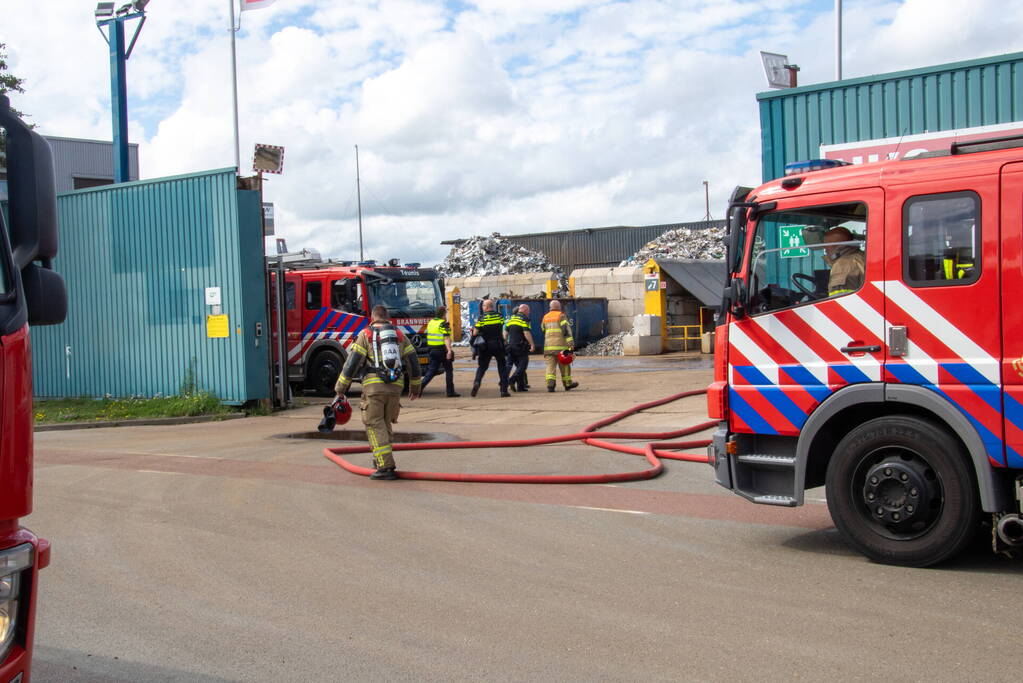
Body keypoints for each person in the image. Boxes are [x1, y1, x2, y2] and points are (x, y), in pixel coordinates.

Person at [334, 305, 422, 480]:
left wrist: (340, 388)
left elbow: (352, 363)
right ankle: (381, 459)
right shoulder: (399, 334)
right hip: (396, 387)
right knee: (385, 424)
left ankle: (385, 466)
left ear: (373, 318)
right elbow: (413, 361)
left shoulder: (365, 334)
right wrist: (415, 387)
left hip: (374, 388)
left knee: (374, 425)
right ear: (387, 317)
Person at [470, 298, 510, 398]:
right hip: (498, 344)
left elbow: (475, 333)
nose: (482, 307)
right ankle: (503, 391)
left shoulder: (482, 318)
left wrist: (472, 343)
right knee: (502, 367)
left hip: (485, 346)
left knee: (482, 367)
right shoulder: (499, 316)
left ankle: (477, 382)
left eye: (483, 306)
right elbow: (502, 328)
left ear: (486, 307)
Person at [420, 305, 460, 397]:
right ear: (443, 314)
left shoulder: (431, 322)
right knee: (449, 370)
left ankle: (420, 387)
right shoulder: (442, 324)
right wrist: (449, 351)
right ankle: (450, 392)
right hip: (442, 350)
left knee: (431, 371)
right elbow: (446, 338)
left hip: (432, 350)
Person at [542, 300, 579, 392]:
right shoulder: (561, 316)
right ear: (559, 307)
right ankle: (567, 384)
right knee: (565, 366)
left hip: (548, 347)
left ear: (550, 307)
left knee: (550, 367)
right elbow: (566, 331)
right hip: (561, 347)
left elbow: (543, 329)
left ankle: (550, 385)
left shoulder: (545, 317)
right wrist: (571, 344)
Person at [822, 227, 865, 296]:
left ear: (836, 245)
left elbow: (838, 299)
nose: (824, 248)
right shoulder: (861, 256)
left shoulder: (843, 265)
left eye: (826, 244)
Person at [503, 304, 535, 392]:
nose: (529, 313)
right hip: (521, 347)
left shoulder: (511, 319)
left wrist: (505, 342)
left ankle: (521, 387)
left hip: (510, 346)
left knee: (516, 366)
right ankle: (512, 380)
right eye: (528, 311)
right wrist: (532, 344)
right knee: (522, 365)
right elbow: (526, 333)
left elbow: (505, 332)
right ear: (524, 310)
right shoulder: (525, 319)